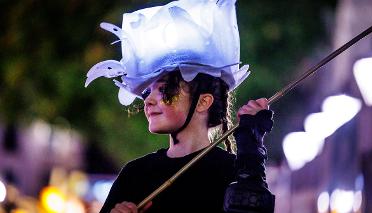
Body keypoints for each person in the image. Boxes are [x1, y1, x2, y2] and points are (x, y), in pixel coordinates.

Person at [85, 0, 275, 212]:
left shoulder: (232, 172)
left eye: (166, 90)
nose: (148, 100)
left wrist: (251, 147)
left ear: (204, 101)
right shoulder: (135, 174)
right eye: (148, 91)